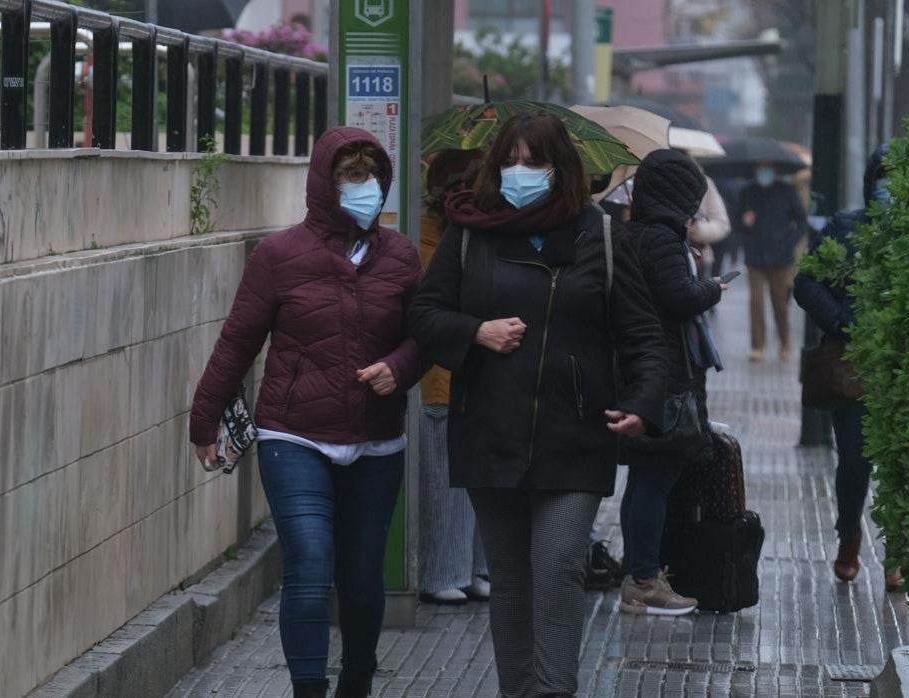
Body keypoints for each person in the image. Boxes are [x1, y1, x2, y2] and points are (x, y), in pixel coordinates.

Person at [409, 111, 667, 698]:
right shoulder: (468, 233)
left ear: (562, 169)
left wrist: (642, 404)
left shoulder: (600, 234)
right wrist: (475, 331)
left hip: (577, 435)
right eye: (510, 161)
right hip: (489, 432)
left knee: (558, 571)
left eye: (535, 162)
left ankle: (553, 690)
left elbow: (644, 336)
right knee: (512, 582)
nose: (520, 172)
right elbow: (425, 314)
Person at [189, 127, 424, 698]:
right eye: (349, 177)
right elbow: (237, 341)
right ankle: (308, 691)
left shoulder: (401, 255)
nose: (362, 189)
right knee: (311, 565)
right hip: (293, 434)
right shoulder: (279, 255)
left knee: (364, 580)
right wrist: (205, 419)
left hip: (376, 439)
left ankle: (358, 684)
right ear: (324, 183)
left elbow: (427, 335)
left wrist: (400, 366)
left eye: (370, 177)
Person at [620, 149, 730, 616]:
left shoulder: (637, 234)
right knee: (655, 477)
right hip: (664, 375)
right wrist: (711, 287)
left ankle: (643, 572)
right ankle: (644, 577)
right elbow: (677, 298)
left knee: (647, 477)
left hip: (647, 370)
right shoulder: (661, 239)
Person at [793, 144, 902, 590]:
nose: (888, 187)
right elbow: (806, 282)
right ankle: (849, 533)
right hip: (852, 365)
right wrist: (840, 319)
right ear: (870, 180)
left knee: (904, 464)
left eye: (898, 177)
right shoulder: (845, 227)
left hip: (905, 368)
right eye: (883, 176)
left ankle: (900, 548)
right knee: (855, 459)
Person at [417, 151, 490, 605]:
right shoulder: (428, 236)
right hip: (441, 376)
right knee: (446, 483)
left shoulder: (489, 229)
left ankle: (478, 566)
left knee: (480, 481)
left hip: (484, 373)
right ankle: (444, 571)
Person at [736, 162, 809, 362]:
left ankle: (785, 342)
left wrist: (790, 242)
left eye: (768, 168)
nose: (764, 172)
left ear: (775, 170)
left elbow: (802, 221)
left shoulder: (787, 191)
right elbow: (736, 222)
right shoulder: (748, 192)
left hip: (781, 257)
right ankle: (757, 346)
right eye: (760, 168)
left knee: (780, 303)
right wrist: (745, 223)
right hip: (754, 255)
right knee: (756, 302)